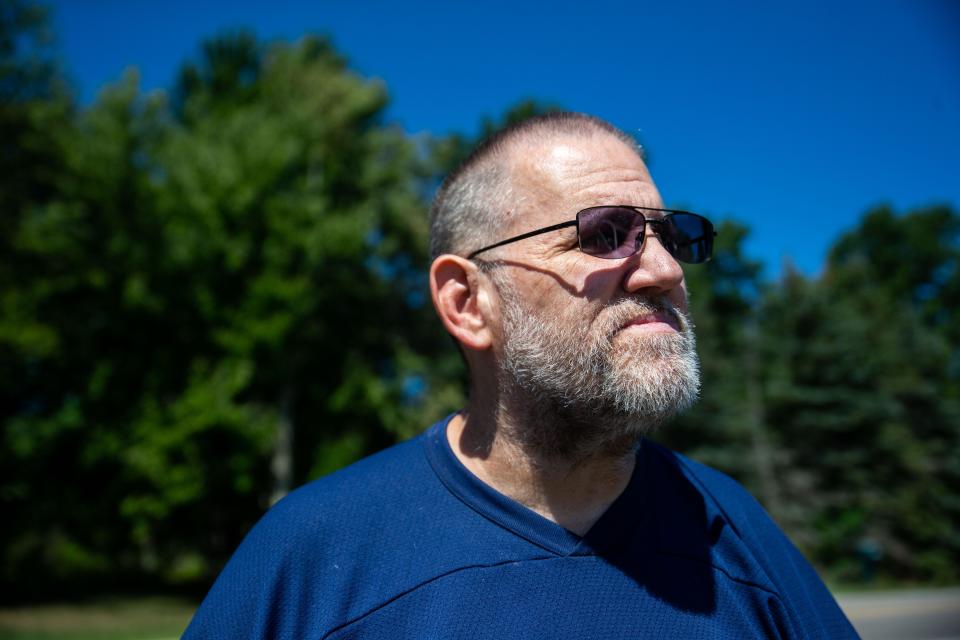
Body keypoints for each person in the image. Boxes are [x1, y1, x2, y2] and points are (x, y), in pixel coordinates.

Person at [182, 113, 859, 639]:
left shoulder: (737, 531)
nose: (665, 271)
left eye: (670, 237)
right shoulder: (311, 554)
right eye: (602, 234)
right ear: (468, 303)